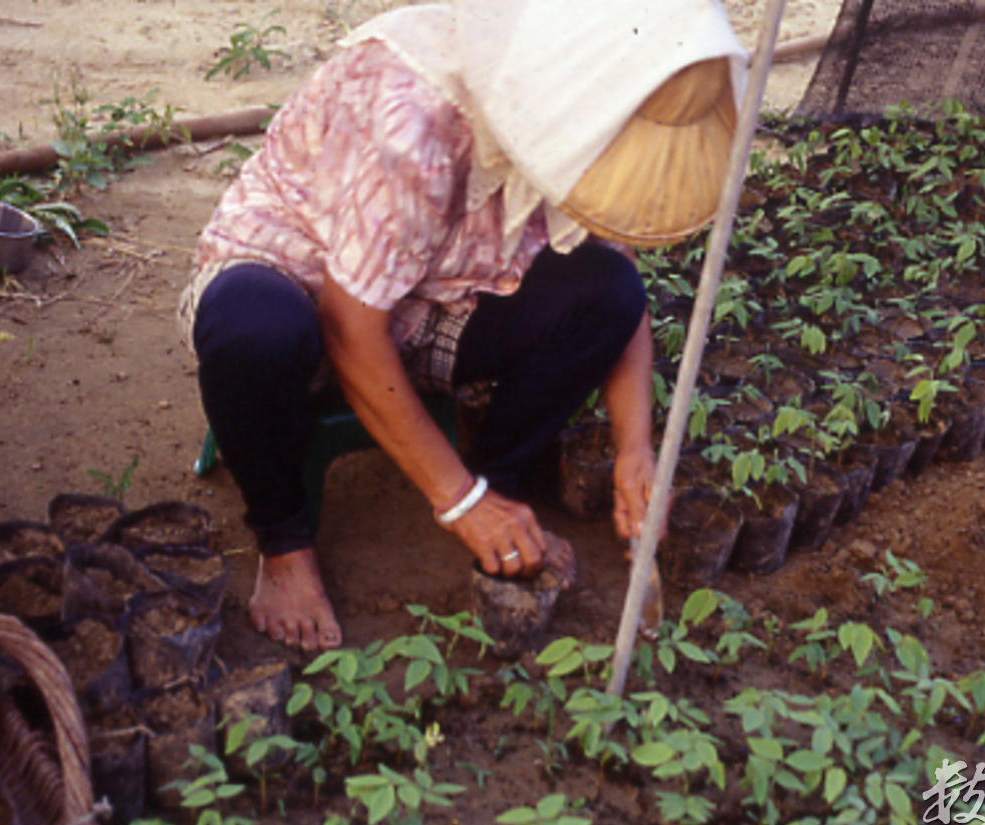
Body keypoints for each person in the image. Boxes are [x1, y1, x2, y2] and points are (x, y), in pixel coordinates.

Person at [178, 0, 747, 651]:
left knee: (607, 293)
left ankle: (497, 486)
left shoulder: (589, 117)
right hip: (298, 271)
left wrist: (635, 447)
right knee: (255, 334)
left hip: (438, 292)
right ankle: (285, 543)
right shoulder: (412, 121)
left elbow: (623, 286)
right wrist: (455, 501)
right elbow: (347, 325)